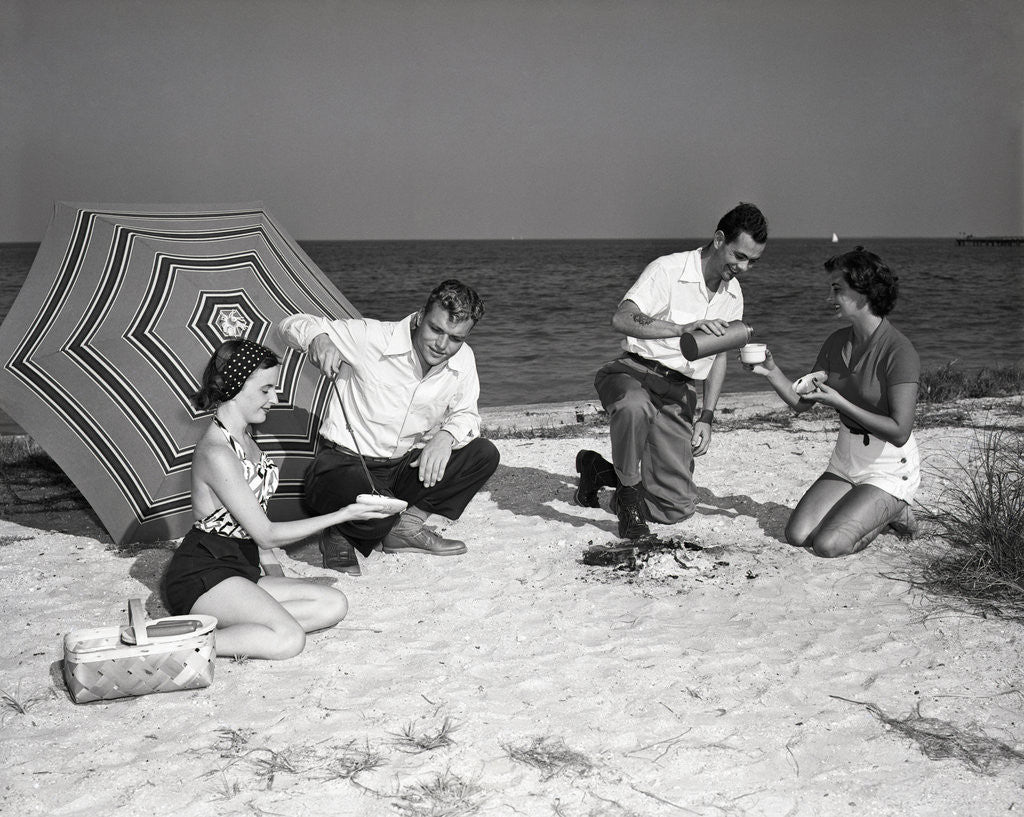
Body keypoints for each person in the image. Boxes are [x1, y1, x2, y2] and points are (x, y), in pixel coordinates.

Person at [163, 339, 393, 659]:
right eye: (265, 389)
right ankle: (179, 645)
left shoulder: (245, 436)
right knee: (288, 639)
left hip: (242, 569)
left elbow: (257, 530)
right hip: (204, 576)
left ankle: (238, 629)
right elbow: (265, 532)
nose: (274, 398)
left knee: (334, 603)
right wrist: (343, 514)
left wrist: (275, 579)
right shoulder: (217, 452)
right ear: (235, 386)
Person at [274, 279, 500, 575]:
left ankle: (405, 527)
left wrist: (446, 436)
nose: (442, 345)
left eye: (455, 338)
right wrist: (318, 337)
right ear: (420, 317)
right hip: (343, 466)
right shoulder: (371, 336)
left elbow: (468, 415)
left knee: (483, 454)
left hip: (399, 467)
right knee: (359, 492)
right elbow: (289, 324)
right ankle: (338, 530)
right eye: (436, 329)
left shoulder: (464, 359)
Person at [575, 203, 768, 539]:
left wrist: (707, 416)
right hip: (632, 374)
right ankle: (628, 500)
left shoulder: (733, 294)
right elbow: (621, 318)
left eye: (752, 261)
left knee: (675, 509)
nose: (744, 267)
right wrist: (682, 329)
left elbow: (718, 355)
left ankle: (597, 471)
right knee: (634, 406)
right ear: (719, 239)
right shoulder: (668, 269)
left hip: (678, 393)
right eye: (739, 256)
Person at [745, 246, 920, 557]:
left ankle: (895, 510)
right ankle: (865, 504)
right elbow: (802, 404)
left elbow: (900, 431)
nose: (829, 298)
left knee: (828, 544)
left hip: (889, 466)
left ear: (864, 293)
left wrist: (841, 403)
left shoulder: (899, 351)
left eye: (837, 289)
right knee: (798, 535)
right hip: (845, 459)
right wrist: (771, 372)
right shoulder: (836, 342)